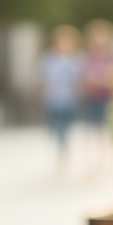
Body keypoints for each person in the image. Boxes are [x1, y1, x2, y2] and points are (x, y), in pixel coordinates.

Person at [37, 23, 84, 158]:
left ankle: (63, 145)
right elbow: (42, 77)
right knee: (54, 124)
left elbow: (80, 77)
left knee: (66, 124)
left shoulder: (77, 58)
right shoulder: (48, 58)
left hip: (69, 98)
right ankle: (58, 142)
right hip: (53, 98)